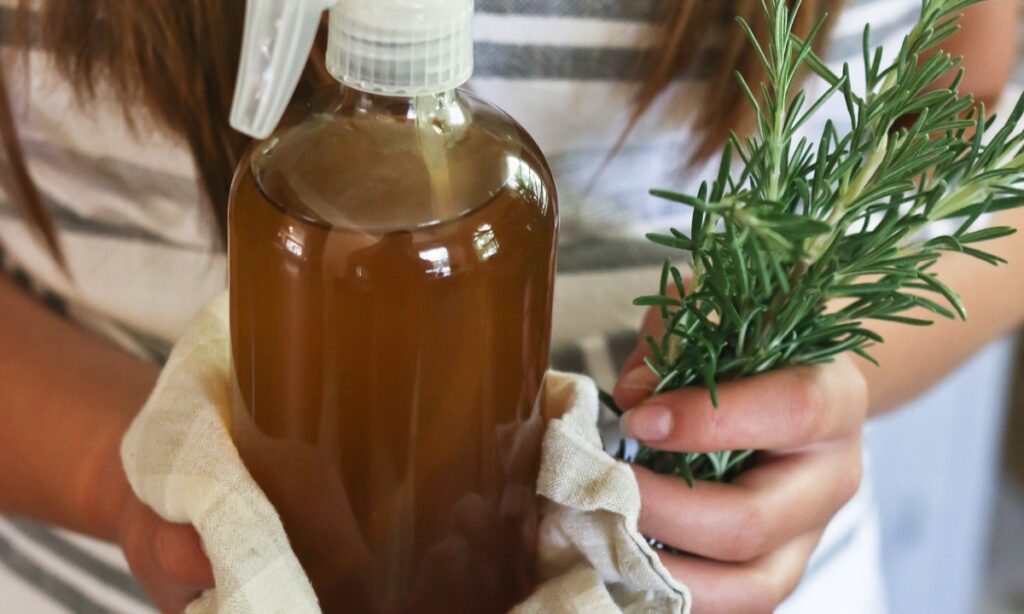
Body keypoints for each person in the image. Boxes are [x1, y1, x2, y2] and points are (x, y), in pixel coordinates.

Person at [0, 0, 1021, 612]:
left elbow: (963, 113)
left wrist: (821, 362)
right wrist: (123, 470)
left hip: (734, 581)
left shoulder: (503, 196)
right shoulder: (291, 195)